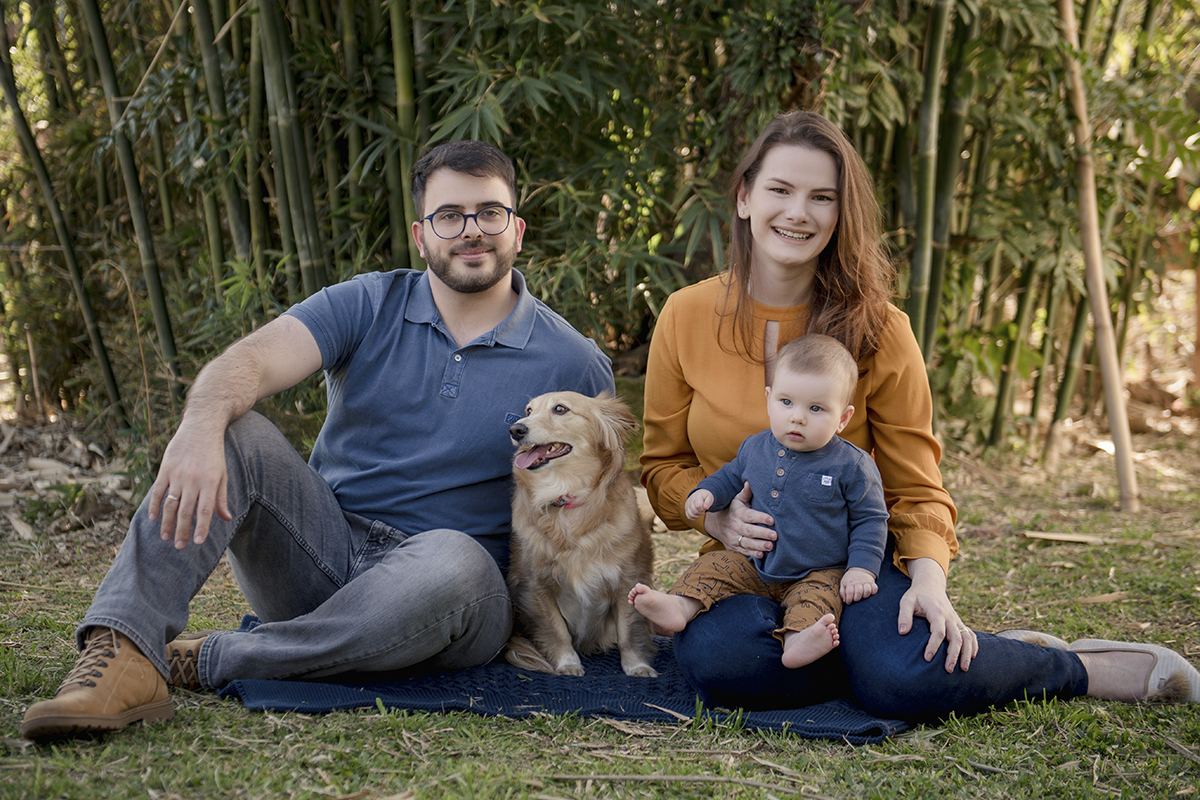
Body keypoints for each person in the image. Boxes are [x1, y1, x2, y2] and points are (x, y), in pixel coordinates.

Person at [21, 140, 615, 742]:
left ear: (516, 228)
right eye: (449, 216)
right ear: (420, 233)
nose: (471, 231)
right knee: (236, 429)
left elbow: (593, 507)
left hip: (453, 595)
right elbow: (251, 360)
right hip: (320, 555)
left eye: (489, 212)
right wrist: (198, 428)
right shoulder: (367, 301)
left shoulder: (573, 364)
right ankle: (118, 652)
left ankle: (209, 659)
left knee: (456, 558)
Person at [639, 110, 1199, 720]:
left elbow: (915, 489)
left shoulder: (882, 329)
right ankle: (865, 657)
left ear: (839, 213)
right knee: (728, 665)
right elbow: (664, 466)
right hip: (741, 563)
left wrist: (930, 583)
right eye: (780, 190)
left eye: (821, 197)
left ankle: (1074, 665)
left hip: (852, 562)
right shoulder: (685, 314)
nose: (798, 213)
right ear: (746, 197)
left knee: (904, 681)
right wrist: (719, 519)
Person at [630, 334, 886, 669]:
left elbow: (871, 519)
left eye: (816, 408)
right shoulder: (755, 447)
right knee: (713, 568)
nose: (798, 417)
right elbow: (729, 477)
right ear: (768, 399)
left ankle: (799, 640)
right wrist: (705, 494)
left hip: (818, 570)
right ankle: (679, 606)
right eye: (786, 402)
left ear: (843, 418)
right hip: (754, 563)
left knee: (817, 600)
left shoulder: (851, 465)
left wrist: (861, 569)